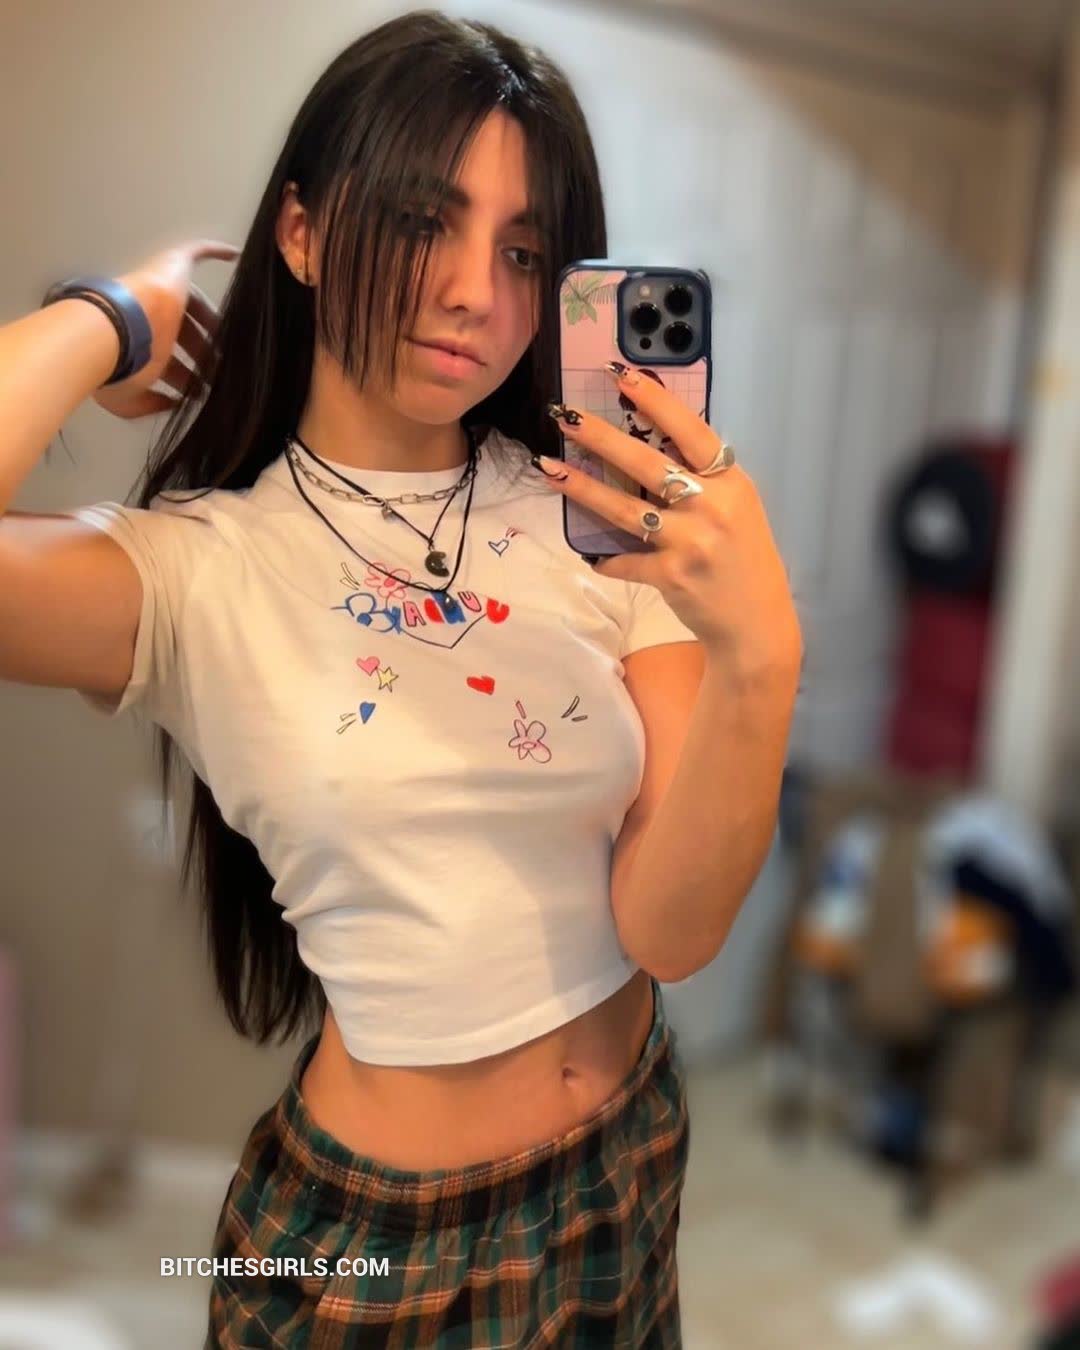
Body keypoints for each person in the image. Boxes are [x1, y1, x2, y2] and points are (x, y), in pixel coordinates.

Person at [0, 10, 802, 1345]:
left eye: (524, 250)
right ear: (302, 233)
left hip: (624, 1156)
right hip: (373, 1239)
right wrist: (108, 318)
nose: (477, 291)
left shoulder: (598, 510)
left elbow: (669, 930)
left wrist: (761, 658)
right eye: (427, 220)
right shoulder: (198, 570)